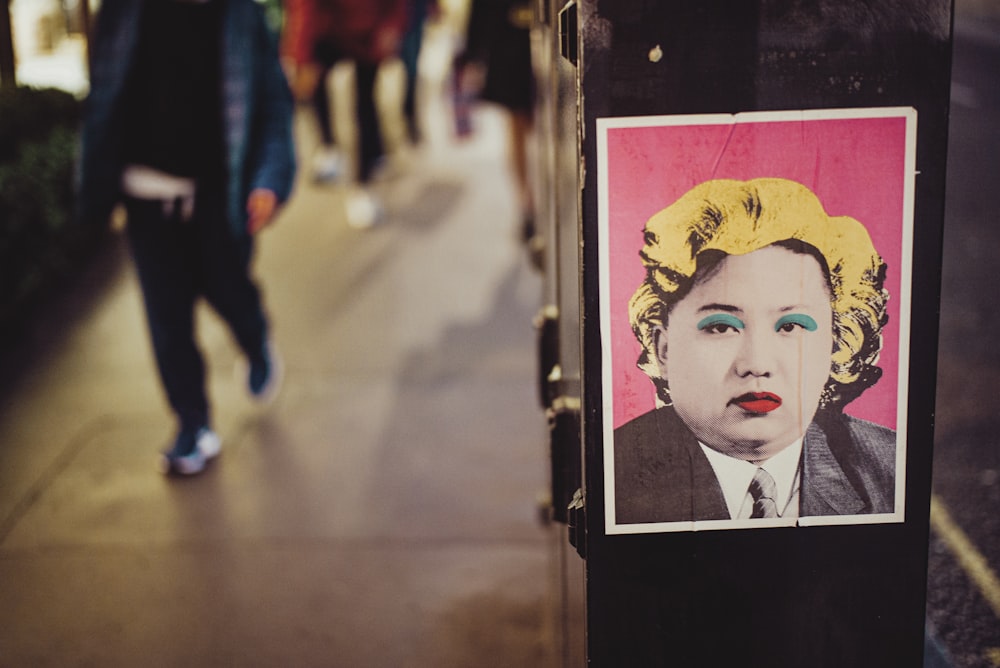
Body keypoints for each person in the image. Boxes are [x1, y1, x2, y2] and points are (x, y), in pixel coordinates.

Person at [77, 0, 297, 475]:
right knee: (167, 317)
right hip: (144, 195)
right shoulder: (123, 12)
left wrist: (269, 180)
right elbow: (102, 97)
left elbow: (273, 105)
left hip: (218, 194)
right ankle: (193, 424)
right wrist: (93, 191)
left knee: (228, 290)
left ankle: (255, 341)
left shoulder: (240, 16)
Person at [614, 178, 896, 524]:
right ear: (664, 348)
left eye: (791, 326)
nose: (757, 365)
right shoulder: (613, 479)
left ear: (837, 343)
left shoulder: (890, 469)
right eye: (721, 327)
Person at [281, 0, 407, 227]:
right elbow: (303, 7)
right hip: (327, 27)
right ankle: (329, 149)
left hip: (369, 29)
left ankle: (363, 184)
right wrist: (301, 55)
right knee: (316, 85)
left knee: (365, 107)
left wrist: (392, 26)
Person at [460, 0, 536, 244]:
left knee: (532, 127)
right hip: (510, 42)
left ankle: (534, 197)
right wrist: (472, 54)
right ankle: (526, 201)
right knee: (517, 123)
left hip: (545, 38)